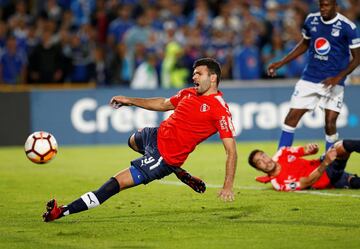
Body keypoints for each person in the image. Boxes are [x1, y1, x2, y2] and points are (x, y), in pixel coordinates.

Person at [43, 57, 237, 222]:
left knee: (115, 183)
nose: (193, 77)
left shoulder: (219, 109)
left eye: (198, 74)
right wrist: (130, 101)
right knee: (132, 141)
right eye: (193, 73)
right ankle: (179, 172)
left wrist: (228, 185)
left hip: (165, 156)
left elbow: (231, 151)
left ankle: (61, 211)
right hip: (156, 135)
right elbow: (162, 103)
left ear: (213, 78)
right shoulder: (189, 93)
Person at [267, 0, 360, 150]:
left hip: (333, 81)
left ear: (335, 6)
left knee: (330, 123)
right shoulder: (311, 19)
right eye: (321, 5)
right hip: (310, 79)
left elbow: (357, 58)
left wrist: (338, 77)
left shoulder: (348, 27)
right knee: (291, 118)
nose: (323, 8)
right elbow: (305, 44)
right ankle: (281, 160)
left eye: (327, 5)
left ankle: (329, 161)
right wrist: (281, 62)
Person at [248, 140, 360, 191]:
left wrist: (312, 148)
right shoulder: (279, 184)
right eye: (259, 162)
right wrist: (325, 163)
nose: (265, 161)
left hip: (322, 163)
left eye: (263, 156)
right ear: (259, 169)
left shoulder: (282, 152)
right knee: (356, 183)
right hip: (326, 177)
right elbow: (306, 182)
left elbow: (306, 150)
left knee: (344, 145)